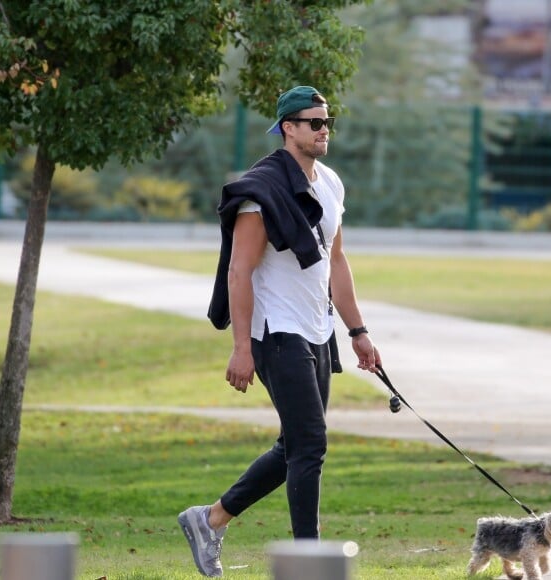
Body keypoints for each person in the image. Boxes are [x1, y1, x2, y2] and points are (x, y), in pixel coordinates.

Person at [178, 85, 381, 577]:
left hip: (316, 329)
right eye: (314, 122)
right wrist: (241, 347)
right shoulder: (261, 191)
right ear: (288, 128)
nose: (324, 129)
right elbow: (239, 272)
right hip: (276, 332)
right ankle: (308, 563)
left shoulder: (329, 183)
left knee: (295, 444)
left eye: (327, 121)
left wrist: (357, 331)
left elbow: (335, 259)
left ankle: (210, 519)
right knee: (310, 444)